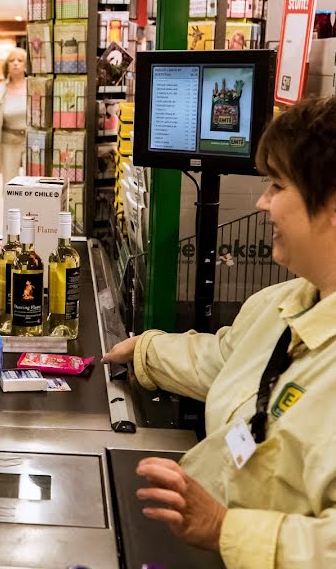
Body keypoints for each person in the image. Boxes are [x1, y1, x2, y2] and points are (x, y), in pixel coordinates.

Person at [103, 96, 336, 567]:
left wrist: (225, 529)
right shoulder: (283, 302)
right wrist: (145, 352)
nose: (261, 203)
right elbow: (228, 359)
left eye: (276, 186)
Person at [0, 47, 28, 183]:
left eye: (20, 60)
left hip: (32, 141)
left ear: (26, 65)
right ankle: (10, 205)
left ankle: (31, 205)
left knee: (33, 181)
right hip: (8, 140)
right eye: (11, 60)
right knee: (10, 183)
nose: (15, 63)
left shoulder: (34, 87)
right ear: (6, 65)